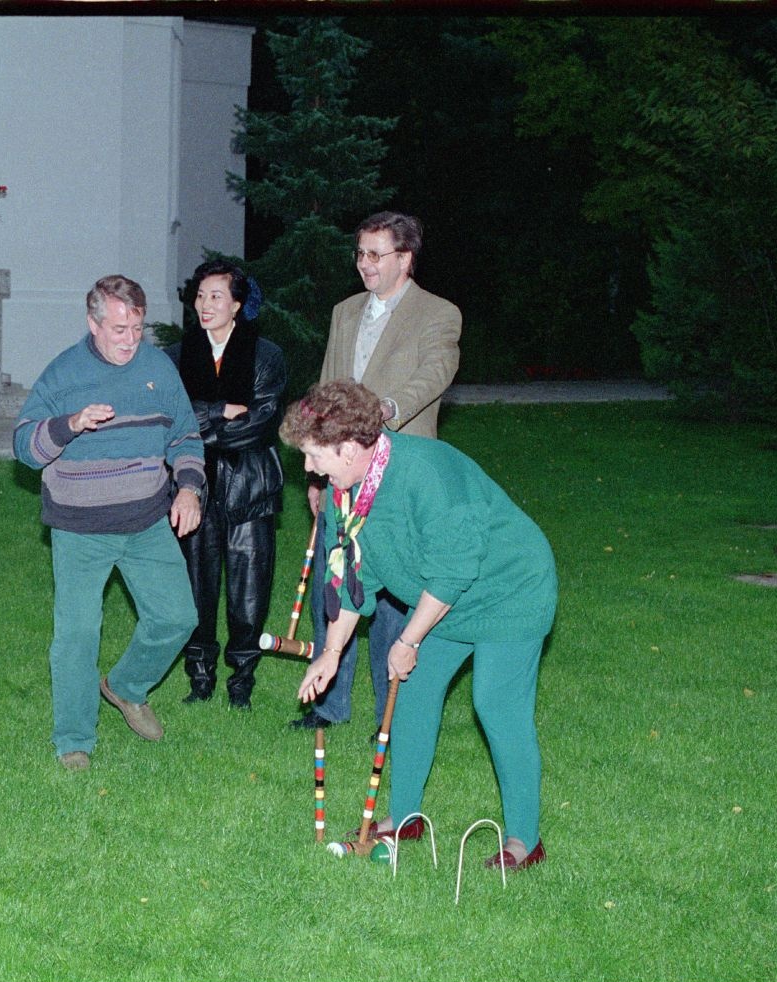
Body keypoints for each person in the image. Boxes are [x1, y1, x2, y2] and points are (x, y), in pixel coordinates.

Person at [283, 379, 557, 870]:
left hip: (508, 589)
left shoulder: (429, 474)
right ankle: (404, 816)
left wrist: (408, 638)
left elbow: (455, 568)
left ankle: (524, 839)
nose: (308, 467)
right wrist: (329, 653)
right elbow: (348, 576)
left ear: (348, 449)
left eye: (312, 455)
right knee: (410, 690)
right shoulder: (344, 491)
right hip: (444, 596)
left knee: (496, 705)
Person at [14, 275, 204, 770]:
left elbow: (185, 436)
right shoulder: (64, 374)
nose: (129, 340)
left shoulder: (158, 370)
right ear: (93, 323)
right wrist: (69, 424)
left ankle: (125, 687)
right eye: (118, 329)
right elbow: (24, 448)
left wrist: (188, 487)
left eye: (137, 328)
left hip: (145, 519)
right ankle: (74, 738)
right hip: (79, 526)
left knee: (178, 617)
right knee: (78, 633)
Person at [293, 210, 462, 734]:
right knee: (335, 581)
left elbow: (437, 373)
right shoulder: (345, 312)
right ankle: (328, 703)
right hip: (341, 468)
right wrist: (317, 475)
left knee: (392, 591)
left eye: (375, 254)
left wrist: (386, 409)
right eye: (360, 253)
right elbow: (325, 391)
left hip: (399, 468)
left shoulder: (438, 313)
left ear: (404, 259)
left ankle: (391, 710)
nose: (364, 264)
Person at [164, 261, 286, 708]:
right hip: (193, 488)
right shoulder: (177, 357)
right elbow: (172, 423)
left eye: (216, 296)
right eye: (200, 295)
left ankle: (242, 683)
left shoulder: (266, 356)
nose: (205, 304)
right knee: (196, 586)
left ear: (238, 303)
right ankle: (199, 677)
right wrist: (221, 412)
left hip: (249, 488)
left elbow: (259, 423)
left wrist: (201, 420)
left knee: (247, 591)